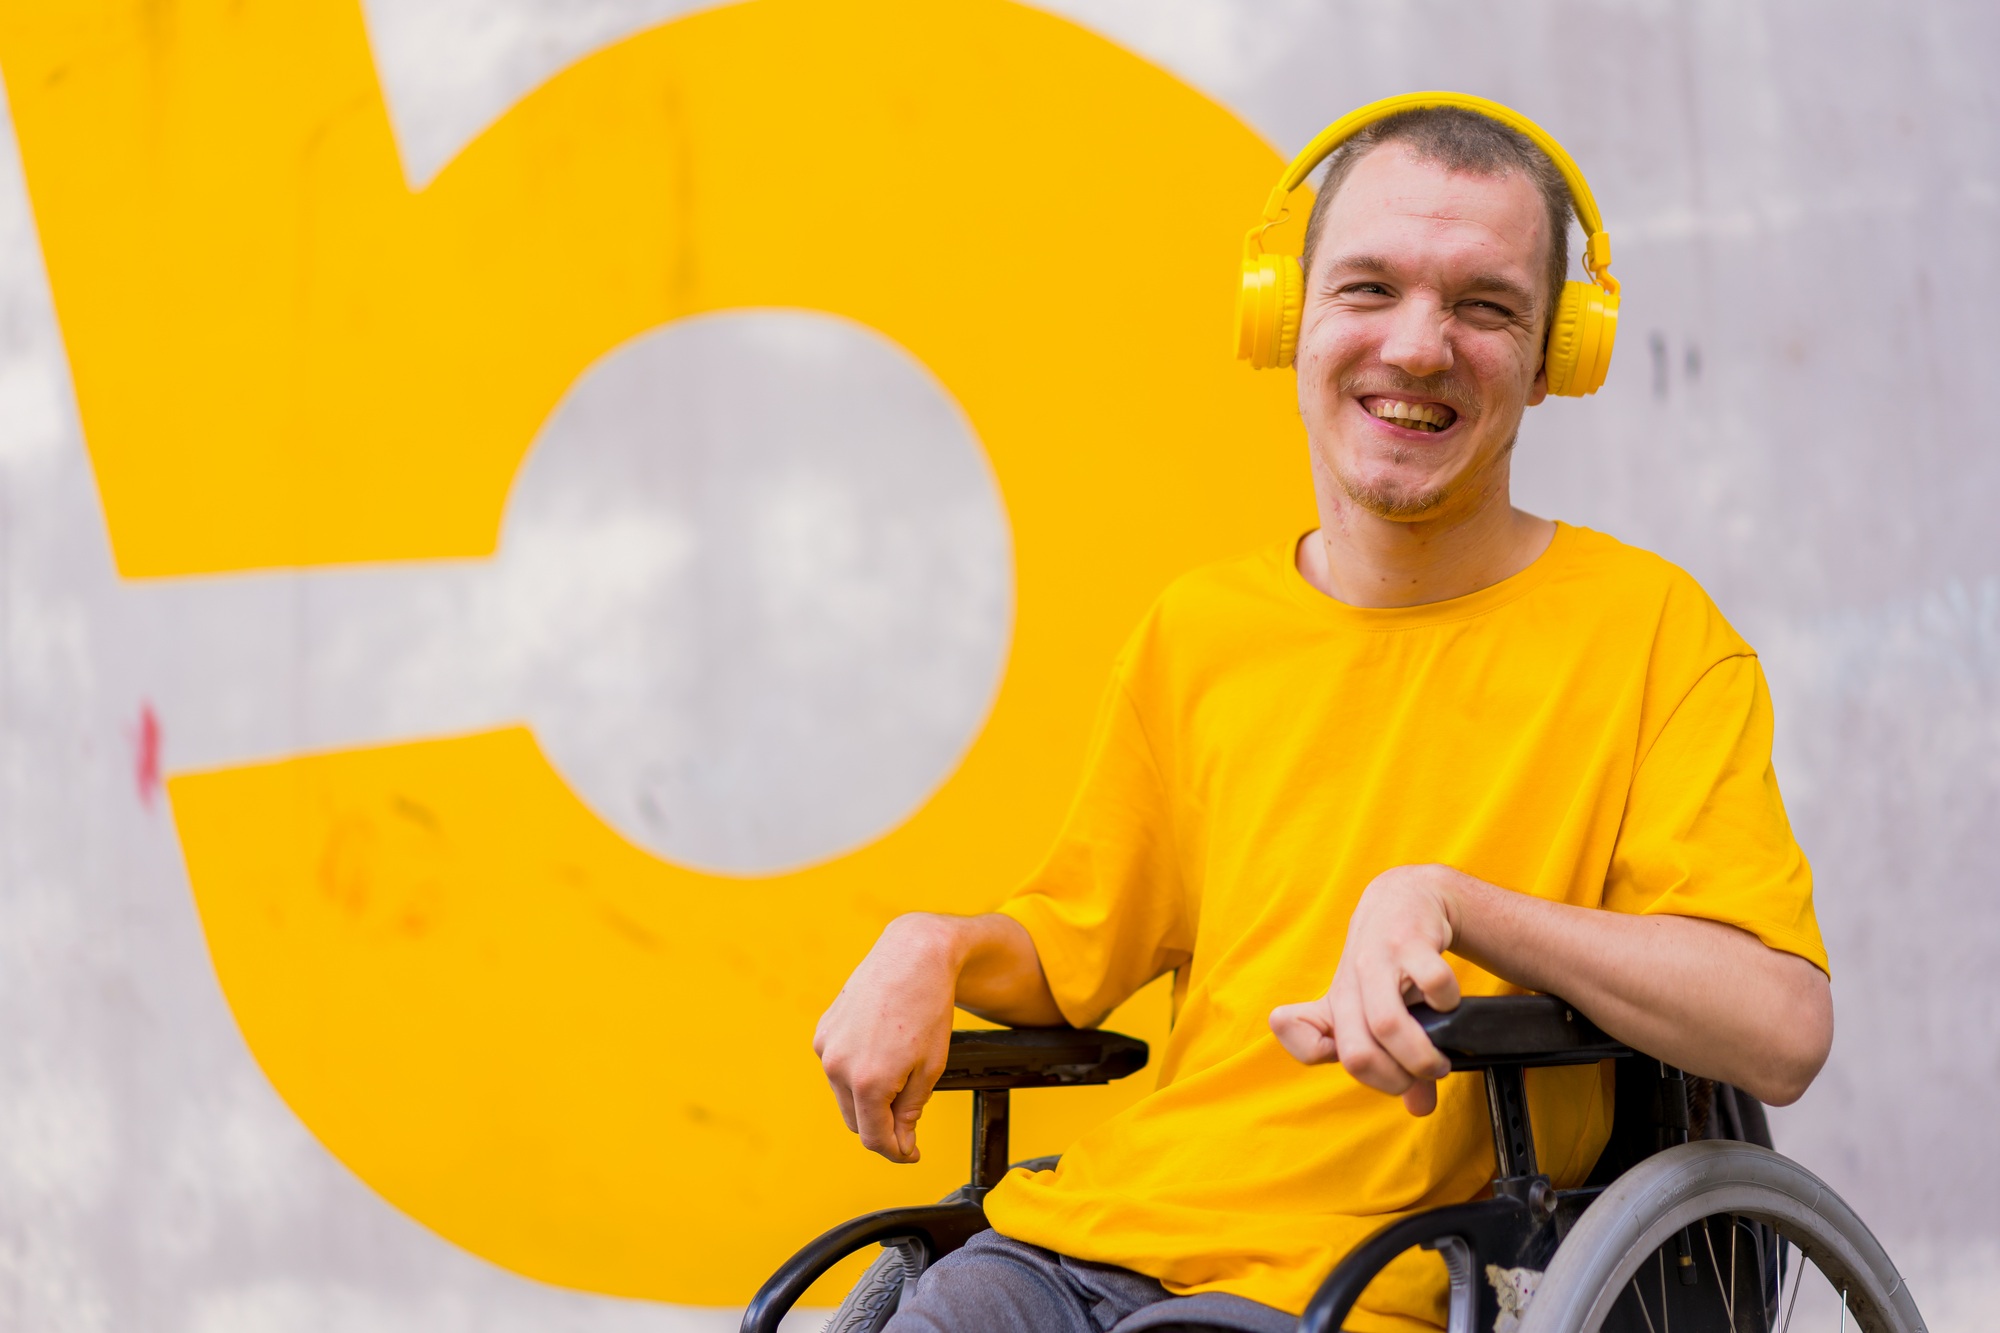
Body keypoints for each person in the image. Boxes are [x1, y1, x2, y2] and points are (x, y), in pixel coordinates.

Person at [812, 102, 1833, 1333]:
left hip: (1397, 1279)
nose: (1416, 347)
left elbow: (1776, 1027)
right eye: (1368, 288)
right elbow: (1071, 949)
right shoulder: (1198, 631)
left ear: (1560, 354)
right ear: (1282, 314)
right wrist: (931, 946)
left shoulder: (1651, 634)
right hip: (1090, 1242)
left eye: (1484, 306)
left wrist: (1451, 903)